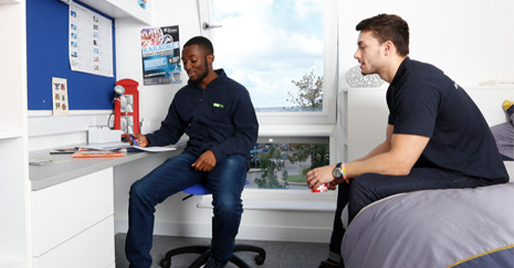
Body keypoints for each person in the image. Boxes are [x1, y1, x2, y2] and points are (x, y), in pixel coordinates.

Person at [307, 14, 509, 268]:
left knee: (363, 185)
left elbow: (400, 163)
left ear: (387, 48)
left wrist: (339, 169)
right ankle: (335, 261)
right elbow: (390, 145)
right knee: (351, 180)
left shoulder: (418, 85)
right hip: (445, 164)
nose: (356, 55)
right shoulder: (399, 86)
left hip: (472, 172)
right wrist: (343, 171)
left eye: (362, 46)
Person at [125, 36, 259, 268]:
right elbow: (170, 132)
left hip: (229, 158)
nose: (187, 67)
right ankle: (138, 264)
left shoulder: (236, 92)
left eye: (193, 60)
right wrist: (147, 139)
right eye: (184, 62)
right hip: (194, 157)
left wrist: (216, 153)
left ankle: (218, 259)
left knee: (227, 205)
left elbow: (248, 136)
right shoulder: (183, 96)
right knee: (140, 191)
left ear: (210, 58)